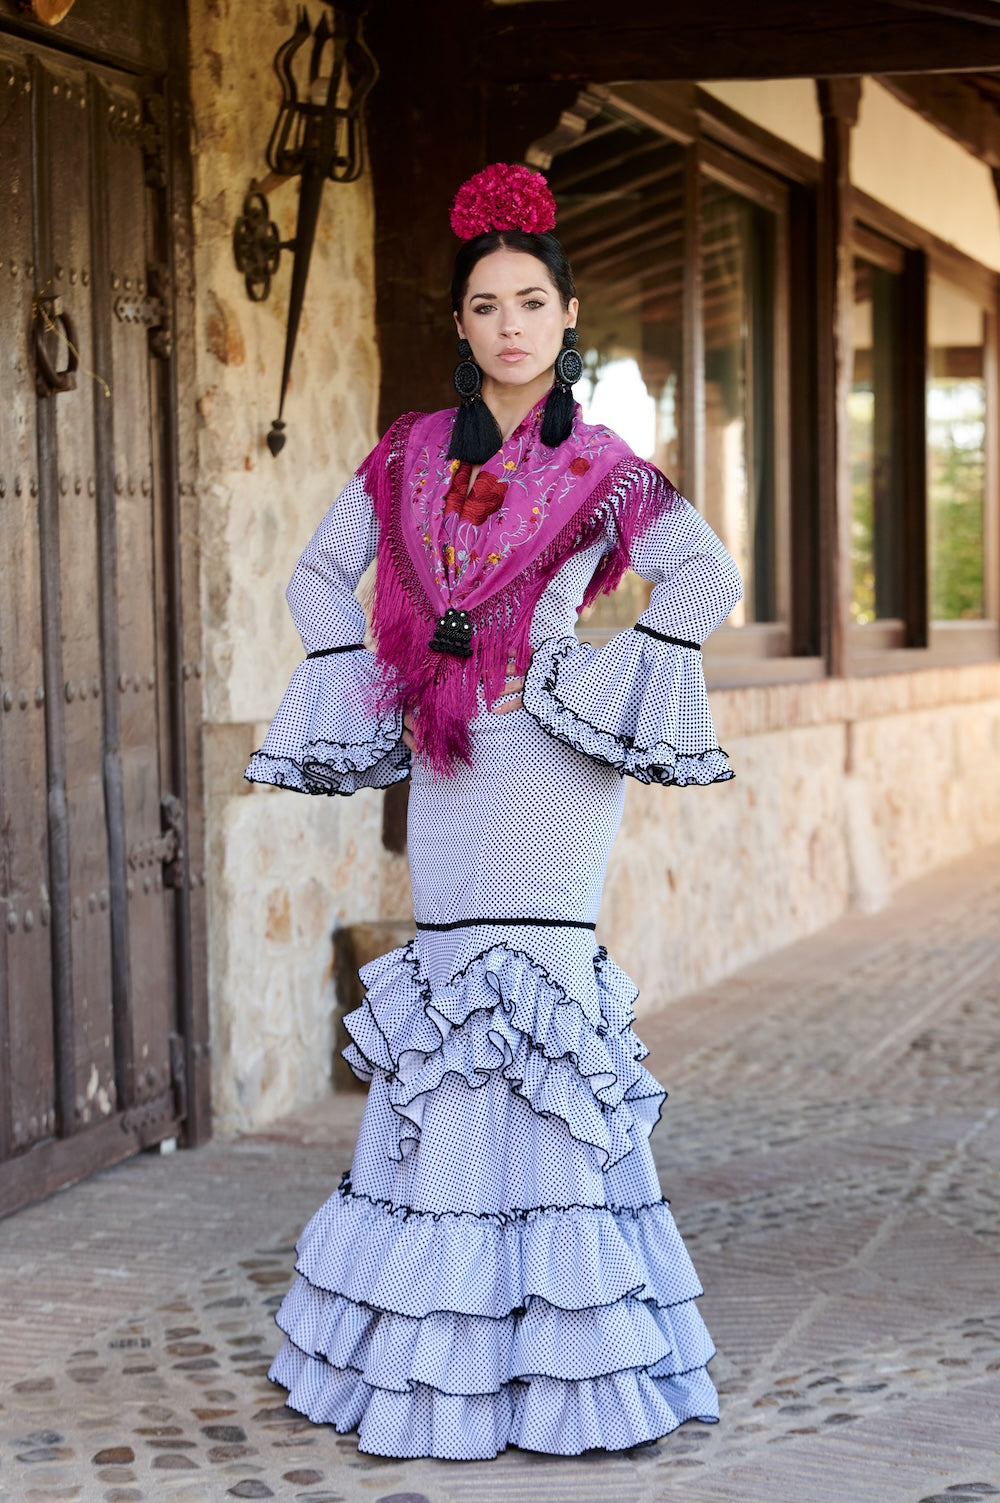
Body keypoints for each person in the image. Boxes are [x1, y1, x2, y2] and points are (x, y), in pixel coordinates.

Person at [245, 162, 742, 1461]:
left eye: (533, 301)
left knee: (543, 1003)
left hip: (557, 768)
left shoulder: (607, 465)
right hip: (452, 759)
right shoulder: (407, 452)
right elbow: (317, 577)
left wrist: (590, 679)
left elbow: (704, 573)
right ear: (460, 326)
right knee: (457, 1007)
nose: (510, 323)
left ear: (568, 319)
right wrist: (371, 692)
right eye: (486, 304)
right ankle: (440, 1353)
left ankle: (573, 1363)